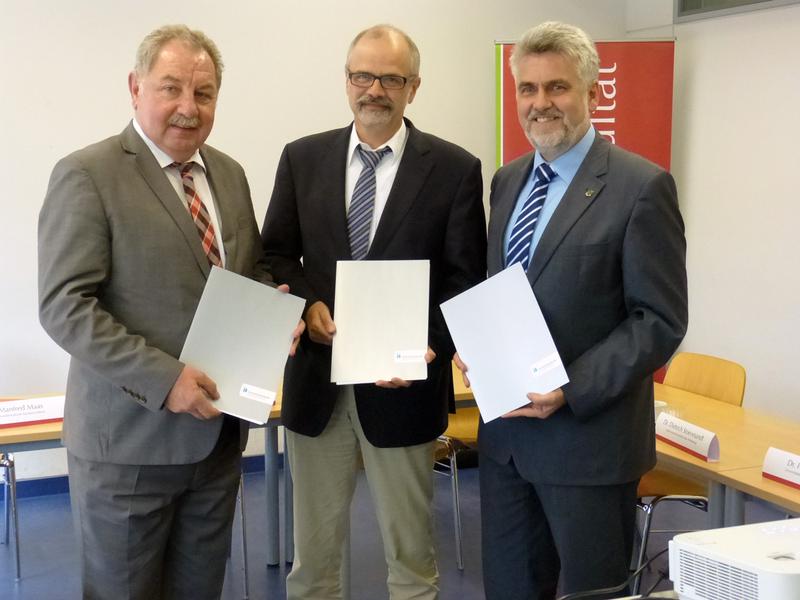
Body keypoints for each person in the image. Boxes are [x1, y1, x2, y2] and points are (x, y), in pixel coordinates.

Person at [38, 24, 301, 600]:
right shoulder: (88, 175)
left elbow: (248, 271)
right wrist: (166, 380)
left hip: (216, 441)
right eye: (171, 88)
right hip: (128, 449)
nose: (188, 107)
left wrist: (274, 313)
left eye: (203, 93)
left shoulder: (228, 174)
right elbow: (64, 306)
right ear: (135, 88)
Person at [454, 21, 688, 599]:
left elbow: (659, 320)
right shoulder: (508, 182)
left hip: (589, 445)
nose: (540, 104)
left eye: (557, 88)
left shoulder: (641, 186)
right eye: (527, 90)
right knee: (509, 589)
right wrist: (479, 346)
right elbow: (501, 289)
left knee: (592, 594)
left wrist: (570, 386)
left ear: (594, 92)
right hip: (507, 443)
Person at [261, 24, 487, 600]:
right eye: (363, 75)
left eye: (391, 77)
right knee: (312, 565)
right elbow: (276, 253)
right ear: (346, 81)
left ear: (414, 86)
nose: (375, 89)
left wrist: (430, 343)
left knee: (411, 560)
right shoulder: (302, 157)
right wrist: (308, 303)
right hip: (319, 386)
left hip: (404, 385)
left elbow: (465, 278)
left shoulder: (455, 169)